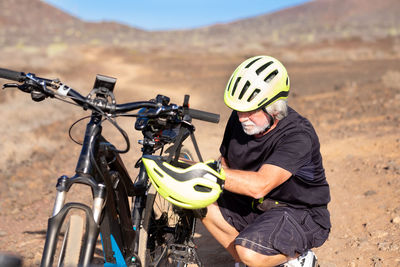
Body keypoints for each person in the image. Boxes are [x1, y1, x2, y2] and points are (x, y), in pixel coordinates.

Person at [201, 55, 331, 267]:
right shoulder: (239, 119)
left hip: (297, 212)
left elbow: (261, 185)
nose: (242, 118)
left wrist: (204, 172)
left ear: (275, 109)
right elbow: (225, 163)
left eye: (250, 110)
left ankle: (297, 257)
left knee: (249, 252)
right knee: (198, 201)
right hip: (254, 207)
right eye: (239, 110)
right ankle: (251, 259)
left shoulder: (298, 135)